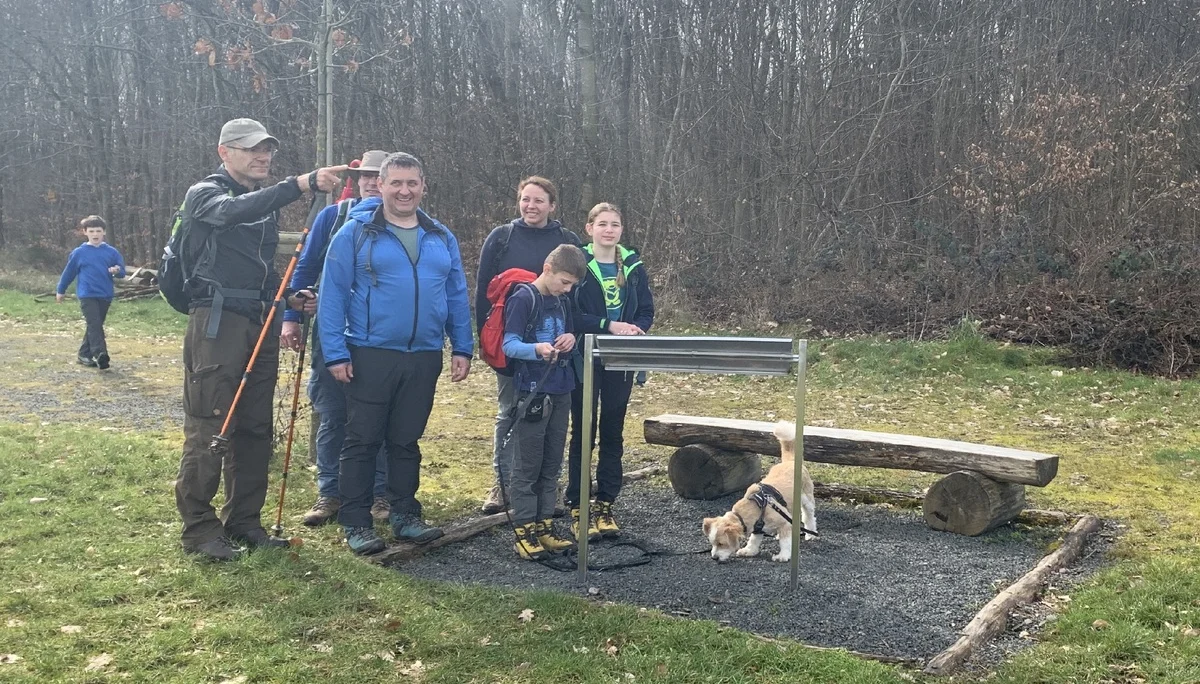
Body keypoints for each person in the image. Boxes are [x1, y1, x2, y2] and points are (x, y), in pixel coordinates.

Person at [175, 118, 346, 561]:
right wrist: (300, 184)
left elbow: (260, 270)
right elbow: (232, 213)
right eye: (252, 148)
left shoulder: (264, 205)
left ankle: (244, 523)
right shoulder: (205, 193)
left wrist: (289, 297)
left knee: (255, 426)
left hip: (261, 320)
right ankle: (199, 531)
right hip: (217, 323)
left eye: (267, 148)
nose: (262, 156)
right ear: (224, 152)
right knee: (211, 423)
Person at [317, 152, 474, 555]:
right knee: (362, 440)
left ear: (423, 187)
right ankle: (356, 521)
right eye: (396, 183)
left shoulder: (440, 235)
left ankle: (405, 516)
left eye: (412, 183)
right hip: (370, 352)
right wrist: (335, 353)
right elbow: (332, 295)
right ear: (382, 186)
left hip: (424, 354)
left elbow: (456, 293)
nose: (404, 191)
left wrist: (462, 345)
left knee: (406, 441)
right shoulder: (356, 233)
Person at [280, 150, 393, 527]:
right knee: (332, 414)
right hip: (331, 335)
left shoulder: (407, 223)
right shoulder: (332, 217)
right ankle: (330, 493)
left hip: (382, 338)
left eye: (379, 176)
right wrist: (292, 317)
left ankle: (379, 493)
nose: (372, 182)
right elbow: (305, 269)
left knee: (380, 416)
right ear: (356, 181)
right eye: (366, 176)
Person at [475, 177, 581, 515]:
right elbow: (483, 293)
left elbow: (575, 298)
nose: (531, 206)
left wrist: (572, 336)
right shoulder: (501, 238)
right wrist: (486, 343)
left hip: (555, 352)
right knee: (510, 411)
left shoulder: (566, 241)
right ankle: (503, 484)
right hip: (513, 346)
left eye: (538, 200)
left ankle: (548, 488)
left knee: (551, 421)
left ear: (552, 205)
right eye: (525, 199)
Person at [565, 203, 655, 540]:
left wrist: (635, 329)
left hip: (621, 359)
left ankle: (605, 504)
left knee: (613, 430)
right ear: (589, 228)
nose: (609, 230)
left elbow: (645, 310)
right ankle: (578, 505)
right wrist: (608, 325)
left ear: (621, 230)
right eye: (602, 224)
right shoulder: (577, 262)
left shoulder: (633, 265)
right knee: (584, 431)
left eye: (615, 224)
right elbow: (570, 314)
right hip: (584, 356)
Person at [501, 244, 588, 559]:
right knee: (528, 465)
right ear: (547, 268)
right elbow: (509, 344)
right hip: (532, 393)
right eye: (564, 282)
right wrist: (536, 349)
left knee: (552, 463)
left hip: (562, 389)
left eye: (572, 285)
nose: (567, 289)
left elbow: (570, 335)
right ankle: (524, 529)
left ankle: (544, 525)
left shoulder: (562, 301)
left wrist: (570, 339)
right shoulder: (523, 298)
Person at [56, 215, 126, 369]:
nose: (95, 234)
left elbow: (122, 272)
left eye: (98, 231)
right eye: (92, 231)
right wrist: (61, 290)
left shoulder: (111, 252)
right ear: (85, 232)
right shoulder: (79, 253)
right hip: (87, 294)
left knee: (95, 325)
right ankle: (100, 354)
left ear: (104, 232)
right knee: (94, 324)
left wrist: (116, 270)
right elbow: (69, 273)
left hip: (105, 294)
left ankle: (83, 354)